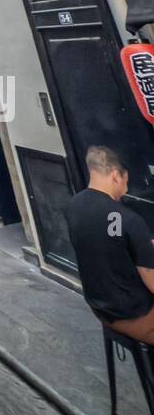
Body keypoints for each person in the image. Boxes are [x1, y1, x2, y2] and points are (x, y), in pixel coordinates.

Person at [65, 145, 154, 345]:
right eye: (126, 182)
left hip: (100, 307)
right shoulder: (128, 218)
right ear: (116, 176)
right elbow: (152, 280)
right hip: (133, 314)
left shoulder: (73, 206)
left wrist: (143, 245)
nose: (126, 189)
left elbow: (107, 241)